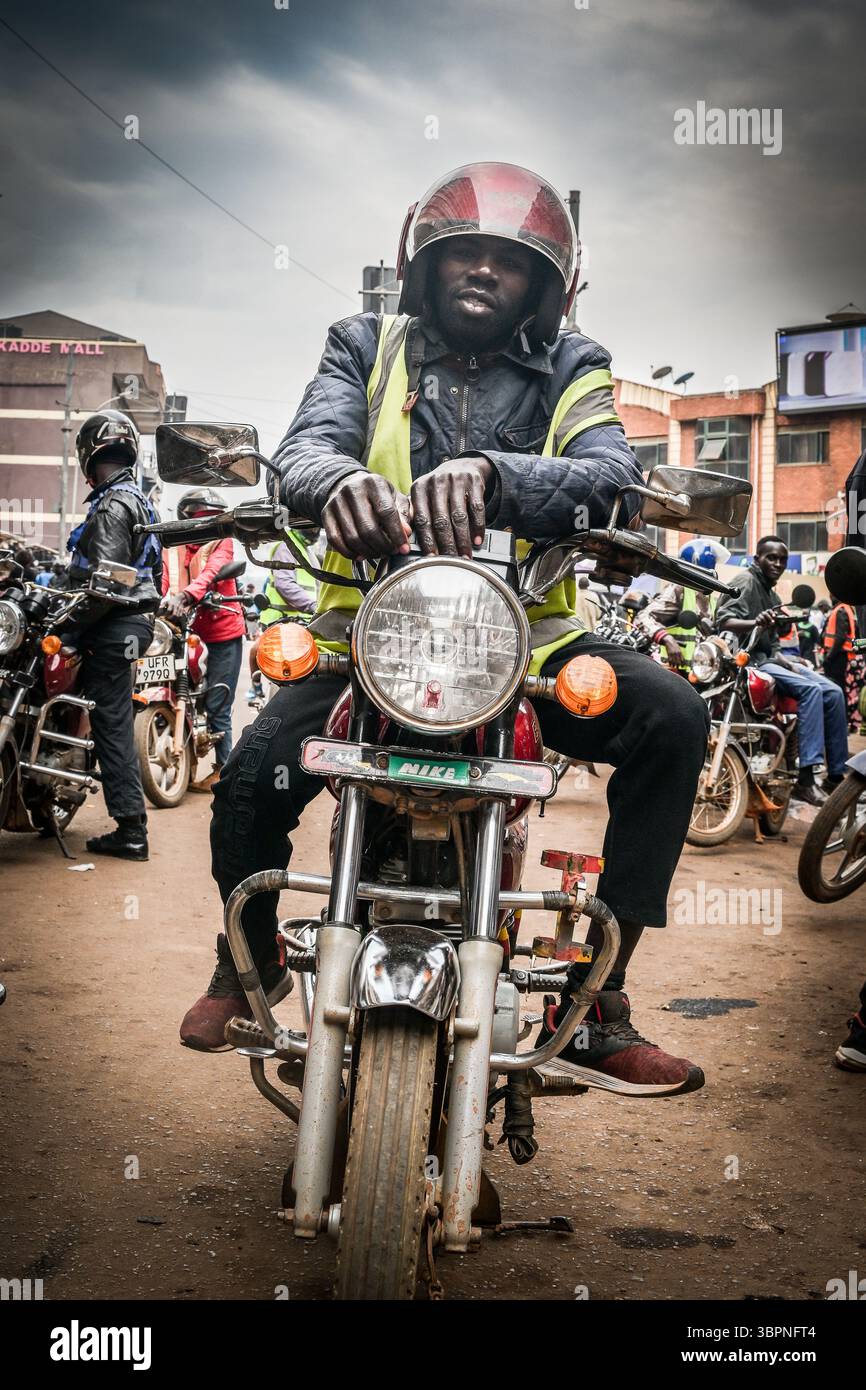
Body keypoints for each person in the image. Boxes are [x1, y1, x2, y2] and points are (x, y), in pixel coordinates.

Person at [180, 160, 711, 1098]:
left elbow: (612, 472)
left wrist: (501, 477)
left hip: (530, 653)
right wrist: (333, 482)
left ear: (544, 286)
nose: (479, 270)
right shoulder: (363, 343)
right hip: (365, 651)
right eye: (459, 252)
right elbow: (306, 444)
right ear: (422, 267)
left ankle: (597, 1004)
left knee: (672, 718)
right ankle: (248, 964)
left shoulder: (574, 367)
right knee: (254, 770)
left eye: (505, 262)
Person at [66, 409, 161, 860]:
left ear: (87, 456)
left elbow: (106, 584)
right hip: (131, 624)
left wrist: (66, 626)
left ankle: (130, 829)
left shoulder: (111, 504)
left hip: (115, 623)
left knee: (111, 719)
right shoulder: (137, 500)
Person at [715, 535, 848, 805]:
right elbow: (724, 621)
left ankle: (836, 777)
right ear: (757, 559)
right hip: (750, 661)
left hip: (771, 659)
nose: (778, 564)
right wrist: (756, 622)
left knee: (833, 692)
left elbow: (774, 645)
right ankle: (806, 779)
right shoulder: (746, 582)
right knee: (811, 690)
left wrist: (788, 660)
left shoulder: (772, 594)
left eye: (782, 560)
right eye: (771, 558)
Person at [161, 489, 244, 793]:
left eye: (211, 519)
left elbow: (212, 572)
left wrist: (187, 595)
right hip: (182, 632)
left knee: (218, 703)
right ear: (186, 520)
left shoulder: (223, 542)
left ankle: (224, 769)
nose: (206, 524)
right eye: (200, 519)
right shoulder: (171, 547)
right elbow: (164, 582)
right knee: (171, 689)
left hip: (223, 633)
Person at [246, 532, 317, 703]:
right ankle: (258, 690)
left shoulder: (308, 552)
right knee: (260, 655)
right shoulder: (287, 547)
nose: (315, 531)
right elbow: (284, 584)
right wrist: (314, 606)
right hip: (283, 624)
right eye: (311, 526)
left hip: (306, 623)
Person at [822, 590, 860, 732]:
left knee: (837, 691)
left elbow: (839, 638)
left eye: (832, 594)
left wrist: (828, 658)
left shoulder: (841, 610)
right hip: (842, 656)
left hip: (838, 657)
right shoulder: (847, 609)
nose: (830, 596)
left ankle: (839, 724)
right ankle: (842, 723)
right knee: (841, 691)